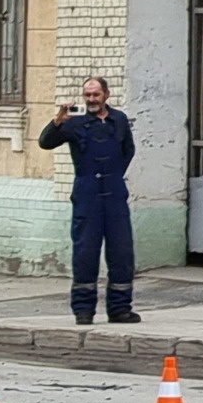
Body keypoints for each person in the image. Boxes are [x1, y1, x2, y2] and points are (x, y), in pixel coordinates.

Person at [40, 76, 139, 325]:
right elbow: (45, 143)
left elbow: (128, 150)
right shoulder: (74, 122)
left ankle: (120, 309)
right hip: (87, 195)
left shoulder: (119, 120)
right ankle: (83, 310)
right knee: (85, 252)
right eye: (87, 95)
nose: (91, 100)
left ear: (106, 94)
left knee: (122, 252)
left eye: (95, 95)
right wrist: (57, 121)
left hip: (115, 195)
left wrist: (113, 176)